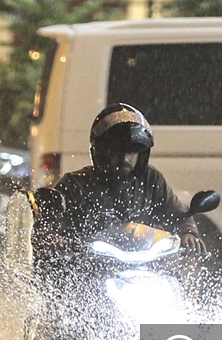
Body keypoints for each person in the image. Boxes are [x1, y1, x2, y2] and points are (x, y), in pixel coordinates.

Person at [41, 103, 207, 254]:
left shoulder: (151, 179)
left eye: (132, 151)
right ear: (102, 152)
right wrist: (54, 241)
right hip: (88, 271)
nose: (125, 158)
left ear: (141, 154)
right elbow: (48, 226)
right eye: (118, 151)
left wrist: (189, 233)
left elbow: (178, 214)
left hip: (144, 267)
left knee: (178, 282)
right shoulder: (75, 185)